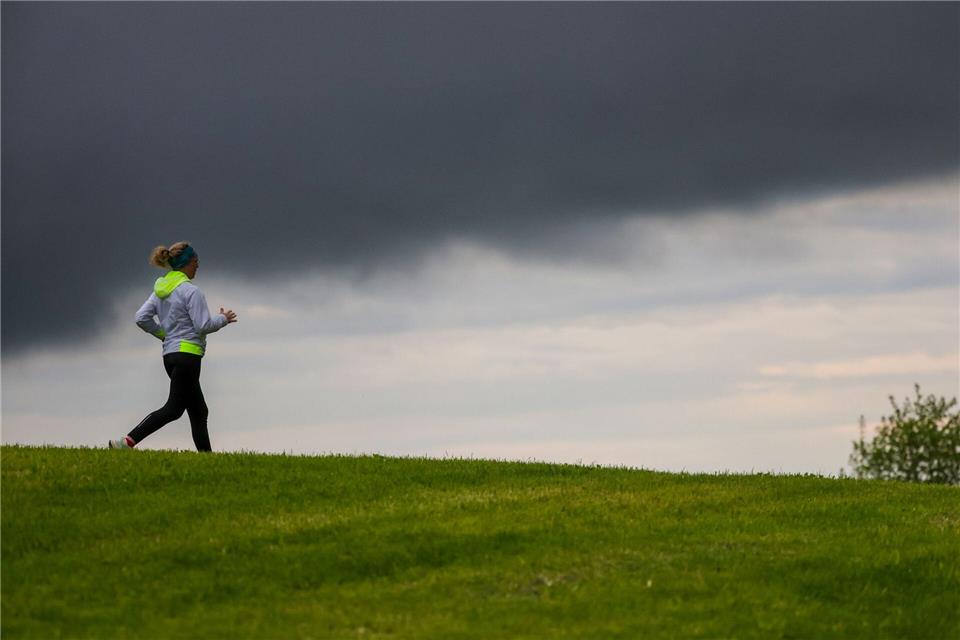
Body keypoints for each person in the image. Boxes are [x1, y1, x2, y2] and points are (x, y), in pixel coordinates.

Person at [109, 242, 237, 452]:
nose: (198, 266)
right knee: (174, 409)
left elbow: (141, 318)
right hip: (188, 356)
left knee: (199, 410)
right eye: (196, 261)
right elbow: (203, 325)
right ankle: (126, 443)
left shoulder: (161, 291)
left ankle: (207, 458)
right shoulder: (192, 291)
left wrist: (163, 335)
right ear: (187, 262)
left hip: (170, 356)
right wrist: (223, 319)